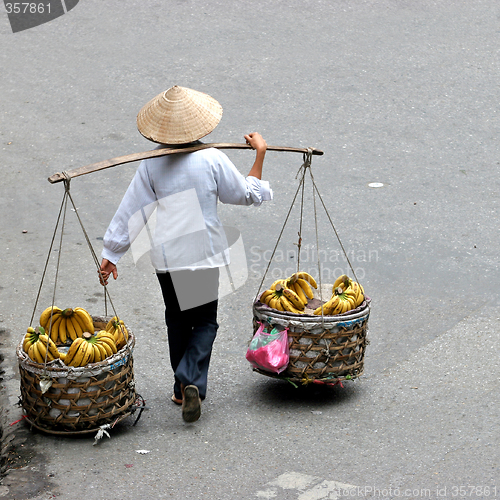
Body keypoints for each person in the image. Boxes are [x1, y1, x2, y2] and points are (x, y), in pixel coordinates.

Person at [98, 85, 272, 423]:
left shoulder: (152, 164)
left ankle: (181, 388)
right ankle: (191, 376)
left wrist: (112, 252)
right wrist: (260, 154)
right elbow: (245, 194)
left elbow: (131, 210)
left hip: (167, 257)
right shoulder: (211, 158)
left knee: (177, 319)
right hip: (203, 254)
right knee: (205, 321)